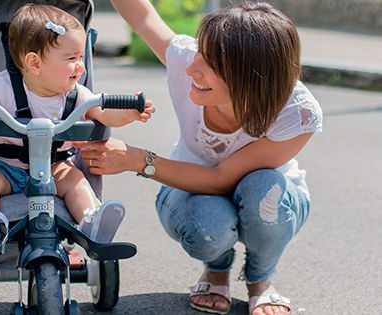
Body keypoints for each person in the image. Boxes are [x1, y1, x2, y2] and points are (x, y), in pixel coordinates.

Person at [73, 1, 322, 314]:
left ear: (254, 75)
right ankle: (216, 269)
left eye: (211, 63)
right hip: (190, 193)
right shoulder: (185, 61)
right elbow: (143, 16)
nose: (191, 68)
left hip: (270, 200)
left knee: (264, 187)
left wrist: (136, 160)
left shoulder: (297, 113)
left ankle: (261, 280)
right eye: (198, 53)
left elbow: (221, 180)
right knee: (206, 222)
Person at [0, 4, 154, 247]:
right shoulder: (4, 88)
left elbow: (103, 113)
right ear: (34, 63)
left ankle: (92, 221)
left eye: (81, 57)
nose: (80, 66)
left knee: (75, 180)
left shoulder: (76, 95)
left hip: (54, 166)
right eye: (71, 58)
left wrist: (130, 113)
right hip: (3, 166)